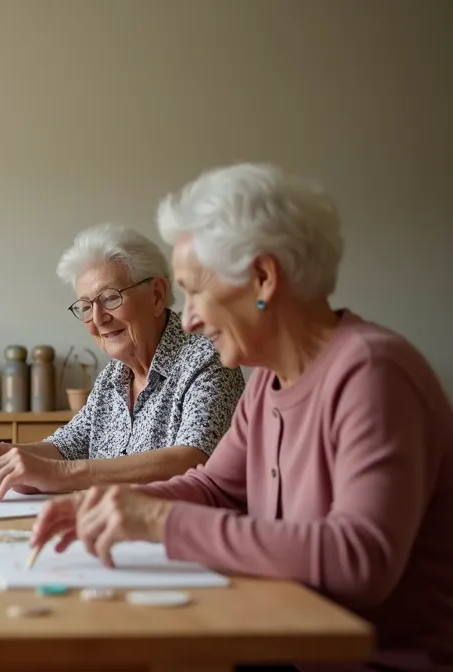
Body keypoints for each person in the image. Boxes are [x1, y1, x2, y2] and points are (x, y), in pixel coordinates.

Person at [30, 163, 453, 670]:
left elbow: (358, 558)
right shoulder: (269, 382)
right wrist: (109, 505)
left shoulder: (373, 372)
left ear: (263, 278)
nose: (186, 319)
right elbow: (215, 488)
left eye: (195, 291)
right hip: (278, 635)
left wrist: (156, 518)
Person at [0, 222, 246, 498]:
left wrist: (61, 474)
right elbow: (69, 445)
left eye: (110, 298)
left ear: (157, 295)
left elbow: (192, 459)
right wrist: (11, 454)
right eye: (86, 307)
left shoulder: (208, 358)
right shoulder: (114, 375)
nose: (98, 319)